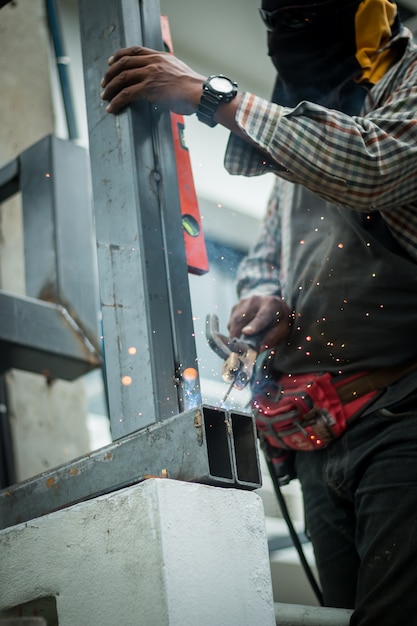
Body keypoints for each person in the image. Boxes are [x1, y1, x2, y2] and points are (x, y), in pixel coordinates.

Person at [100, 1, 417, 623]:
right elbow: (270, 252)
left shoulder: (401, 93)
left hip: (400, 414)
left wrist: (209, 95)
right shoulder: (312, 130)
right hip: (322, 431)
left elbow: (373, 167)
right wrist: (265, 294)